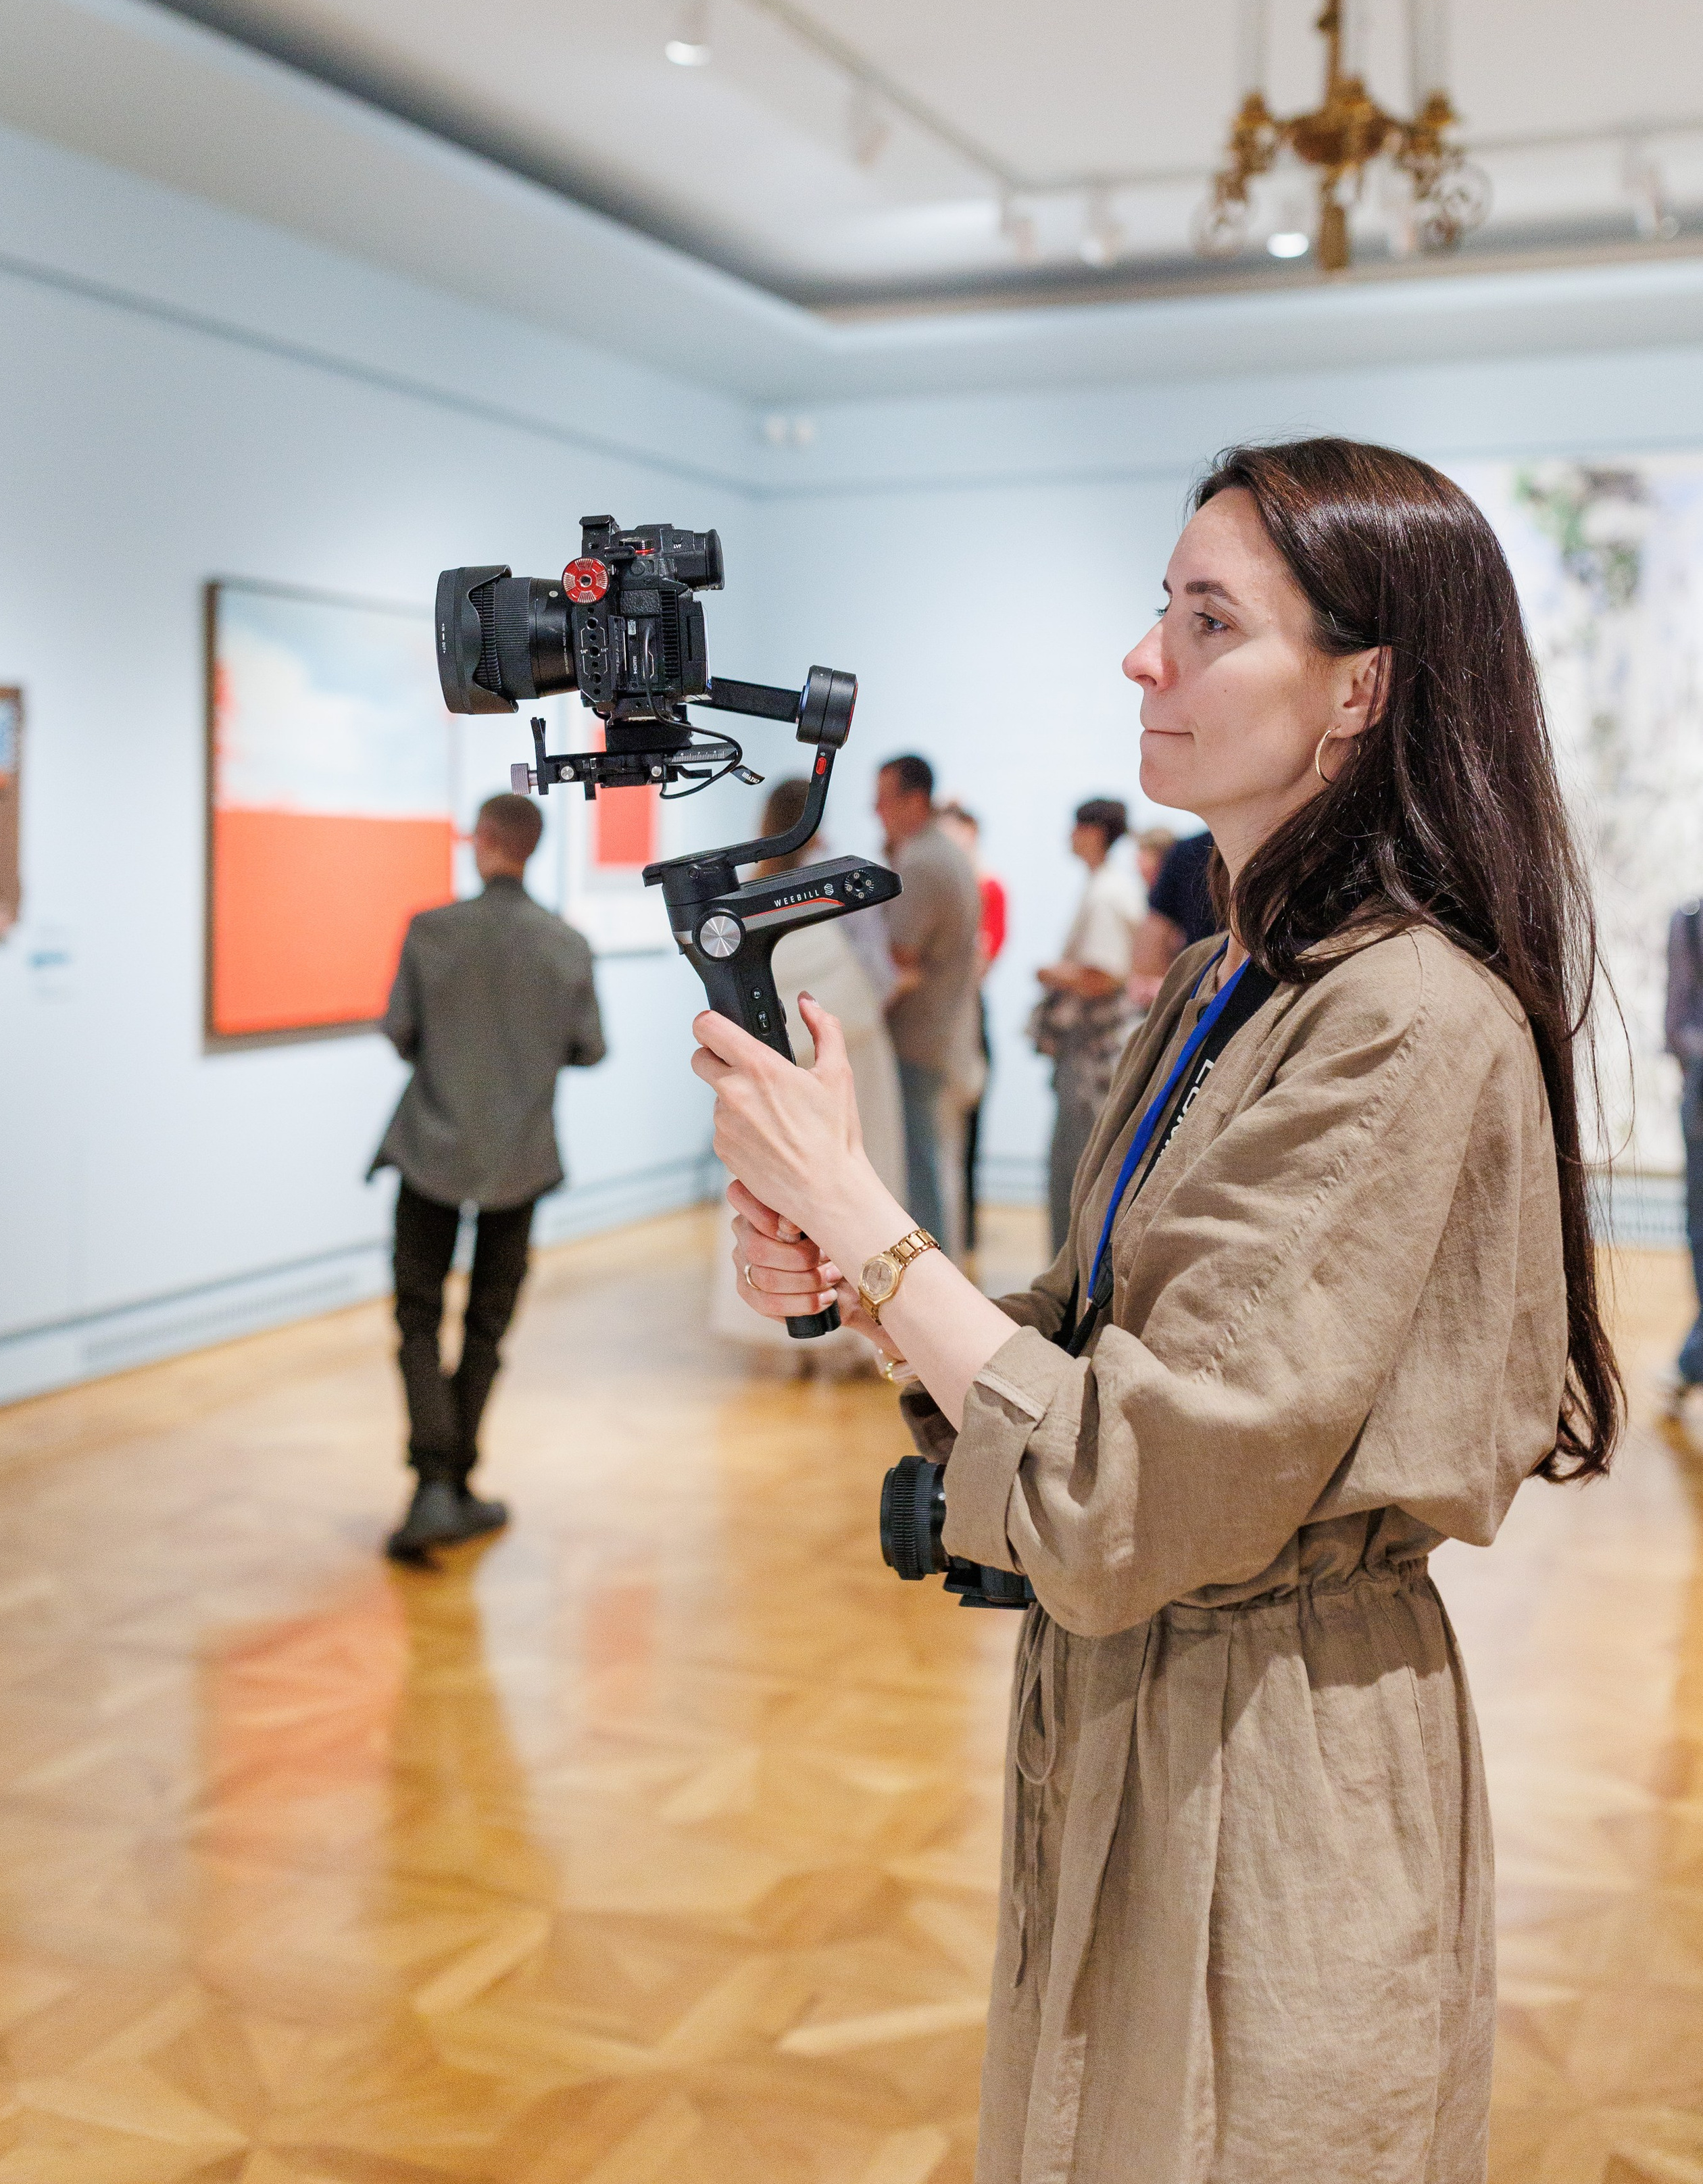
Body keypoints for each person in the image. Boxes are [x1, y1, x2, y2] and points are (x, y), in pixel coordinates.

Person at [695, 436, 1622, 2184]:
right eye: (1159, 612)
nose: (1147, 661)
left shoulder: (1409, 1021)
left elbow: (1135, 1475)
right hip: (1126, 1720)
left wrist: (857, 1209)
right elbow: (1071, 1336)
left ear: (1361, 690)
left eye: (1210, 623)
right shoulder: (1226, 980)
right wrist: (860, 1282)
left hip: (1276, 1764)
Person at [370, 791, 605, 1564]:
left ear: (485, 842)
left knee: (416, 1314)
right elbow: (589, 1047)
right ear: (531, 847)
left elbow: (401, 1032)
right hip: (520, 1158)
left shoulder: (432, 931)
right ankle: (454, 1479)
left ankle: (434, 1482)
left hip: (430, 1148)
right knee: (487, 1325)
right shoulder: (565, 944)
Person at [710, 776, 904, 1374]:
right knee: (854, 1183)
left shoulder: (743, 896)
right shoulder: (840, 887)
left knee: (772, 1192)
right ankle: (854, 1323)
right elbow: (880, 977)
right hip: (848, 1058)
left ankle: (782, 1321)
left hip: (772, 1070)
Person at [1033, 797, 1146, 1256]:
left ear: (1095, 832)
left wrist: (1051, 973)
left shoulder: (1107, 892)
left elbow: (1104, 974)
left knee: (1075, 1172)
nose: (1069, 836)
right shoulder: (1109, 886)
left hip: (1093, 1056)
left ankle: (1068, 1288)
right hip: (1094, 1051)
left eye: (1076, 826)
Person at [875, 755, 980, 1252]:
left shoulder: (922, 861)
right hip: (945, 1031)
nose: (876, 811)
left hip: (919, 1038)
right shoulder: (949, 853)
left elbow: (899, 956)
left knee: (920, 1174)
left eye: (883, 799)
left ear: (914, 801)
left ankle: (929, 1292)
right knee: (936, 1166)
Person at [937, 801, 1008, 1262]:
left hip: (966, 1011)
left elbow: (985, 956)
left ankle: (965, 1231)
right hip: (945, 1012)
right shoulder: (951, 886)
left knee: (969, 1123)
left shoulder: (987, 887)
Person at [1662, 895, 1703, 1412]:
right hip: (1701, 1115)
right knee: (1700, 1235)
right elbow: (1675, 1025)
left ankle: (1693, 1361)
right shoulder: (1690, 923)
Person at [1127, 823, 1216, 1009]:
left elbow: (1149, 960)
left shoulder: (1186, 857)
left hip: (1190, 997)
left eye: (1146, 854)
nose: (1138, 864)